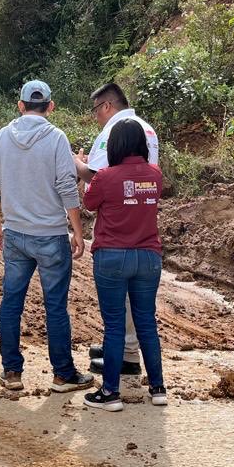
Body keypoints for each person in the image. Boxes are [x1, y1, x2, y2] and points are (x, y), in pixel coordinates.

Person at [0, 80, 95, 394]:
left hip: (15, 235)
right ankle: (62, 375)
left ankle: (11, 373)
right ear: (50, 106)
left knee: (11, 303)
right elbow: (65, 186)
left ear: (20, 105)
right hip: (50, 237)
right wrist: (77, 230)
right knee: (55, 306)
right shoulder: (56, 138)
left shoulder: (3, 136)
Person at [73, 82, 159, 378]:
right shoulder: (146, 128)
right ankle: (131, 352)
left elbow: (98, 178)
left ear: (107, 106)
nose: (95, 116)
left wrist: (77, 164)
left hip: (115, 225)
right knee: (141, 305)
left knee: (117, 298)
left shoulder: (114, 130)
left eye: (95, 110)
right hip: (144, 221)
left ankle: (124, 354)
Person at [81, 119, 167, 410]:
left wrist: (82, 168)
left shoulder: (105, 176)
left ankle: (110, 393)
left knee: (114, 325)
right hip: (148, 257)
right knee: (146, 323)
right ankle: (157, 388)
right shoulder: (155, 174)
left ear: (115, 146)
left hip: (112, 257)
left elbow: (89, 203)